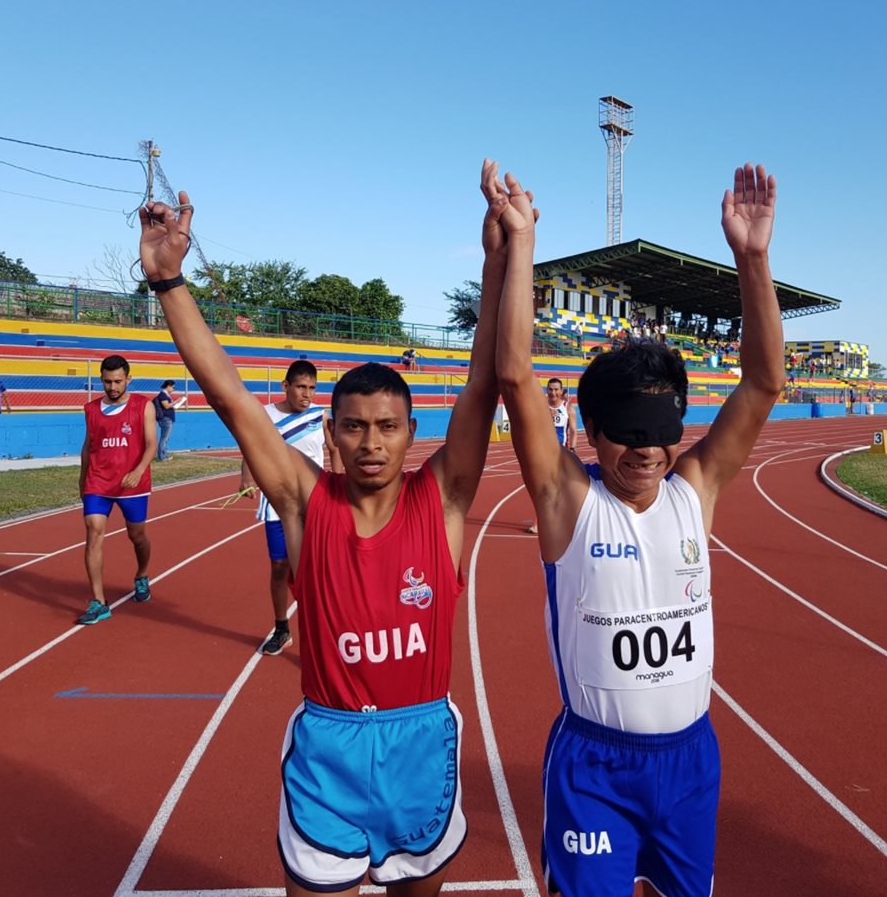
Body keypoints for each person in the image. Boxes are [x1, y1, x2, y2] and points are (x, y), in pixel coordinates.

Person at [138, 158, 517, 896]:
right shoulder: (307, 503)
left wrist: (495, 262)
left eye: (387, 426)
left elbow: (483, 386)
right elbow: (231, 397)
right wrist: (167, 282)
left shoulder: (441, 502)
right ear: (331, 434)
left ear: (411, 433)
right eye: (354, 426)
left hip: (420, 744)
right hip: (330, 748)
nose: (371, 442)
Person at [495, 163, 785, 897]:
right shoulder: (569, 500)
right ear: (591, 429)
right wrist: (522, 245)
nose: (647, 450)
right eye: (627, 431)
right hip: (595, 765)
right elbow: (515, 377)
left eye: (661, 430)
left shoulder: (695, 489)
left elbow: (763, 384)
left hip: (690, 762)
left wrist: (752, 260)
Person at [238, 360, 341, 656]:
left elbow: (334, 449)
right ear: (286, 386)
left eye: (312, 388)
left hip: (315, 501)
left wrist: (338, 484)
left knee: (320, 568)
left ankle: (327, 630)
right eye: (301, 387)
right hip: (278, 502)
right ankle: (282, 628)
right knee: (280, 567)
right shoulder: (266, 415)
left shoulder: (320, 415)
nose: (307, 394)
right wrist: (246, 478)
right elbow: (252, 448)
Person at [77, 355, 158, 625]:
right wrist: (82, 480)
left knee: (137, 536)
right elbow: (88, 446)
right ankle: (99, 602)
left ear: (128, 379)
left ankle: (142, 574)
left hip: (132, 485)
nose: (112, 387)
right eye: (107, 382)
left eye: (118, 381)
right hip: (98, 482)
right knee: (93, 532)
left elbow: (151, 443)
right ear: (101, 379)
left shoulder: (143, 406)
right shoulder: (91, 409)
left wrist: (138, 471)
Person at [545, 378, 577, 451]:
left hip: (561, 452)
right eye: (550, 389)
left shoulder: (568, 408)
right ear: (547, 390)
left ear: (561, 391)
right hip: (544, 451)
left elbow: (573, 431)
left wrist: (572, 449)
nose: (553, 393)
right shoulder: (541, 406)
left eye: (556, 389)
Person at [153, 380, 177, 461]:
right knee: (164, 438)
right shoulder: (163, 395)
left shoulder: (166, 395)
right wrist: (176, 402)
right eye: (173, 387)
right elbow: (166, 406)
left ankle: (164, 454)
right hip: (165, 419)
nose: (173, 389)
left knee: (166, 438)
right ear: (168, 386)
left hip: (168, 418)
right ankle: (161, 456)